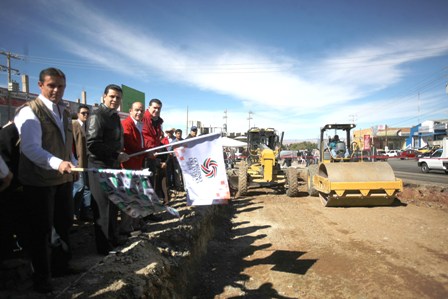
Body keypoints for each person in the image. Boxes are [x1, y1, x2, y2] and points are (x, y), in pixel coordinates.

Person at [14, 67, 77, 293]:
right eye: (51, 85)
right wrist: (58, 163)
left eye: (60, 86)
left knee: (64, 223)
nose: (56, 90)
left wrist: (71, 161)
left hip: (62, 180)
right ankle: (42, 278)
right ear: (40, 85)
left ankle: (61, 266)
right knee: (41, 231)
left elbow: (65, 143)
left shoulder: (65, 112)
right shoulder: (29, 112)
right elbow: (31, 148)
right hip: (39, 182)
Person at [86, 84, 129, 255]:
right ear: (104, 96)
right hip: (99, 166)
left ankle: (113, 238)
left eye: (118, 98)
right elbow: (93, 144)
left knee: (113, 205)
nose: (115, 100)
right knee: (102, 209)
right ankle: (104, 248)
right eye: (111, 96)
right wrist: (115, 154)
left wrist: (118, 154)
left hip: (112, 166)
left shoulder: (114, 117)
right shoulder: (97, 115)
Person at [119, 101, 146, 235]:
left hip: (137, 166)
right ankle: (126, 228)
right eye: (136, 110)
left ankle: (134, 224)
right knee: (128, 198)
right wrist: (146, 151)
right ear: (130, 111)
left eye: (141, 111)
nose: (139, 113)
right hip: (128, 167)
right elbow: (130, 145)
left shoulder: (139, 125)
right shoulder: (127, 124)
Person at [142, 98, 167, 203]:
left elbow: (156, 140)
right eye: (155, 108)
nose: (157, 110)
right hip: (144, 157)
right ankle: (144, 215)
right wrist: (151, 150)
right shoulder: (143, 119)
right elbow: (145, 138)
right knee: (145, 186)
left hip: (153, 156)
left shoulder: (157, 122)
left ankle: (149, 212)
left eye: (159, 109)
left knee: (151, 185)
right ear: (149, 108)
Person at [72, 104, 92, 221]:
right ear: (78, 114)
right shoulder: (74, 125)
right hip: (77, 163)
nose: (86, 115)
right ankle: (73, 213)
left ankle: (85, 213)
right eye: (83, 113)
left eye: (88, 113)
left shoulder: (88, 126)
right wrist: (74, 162)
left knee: (87, 188)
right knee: (78, 188)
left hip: (88, 162)